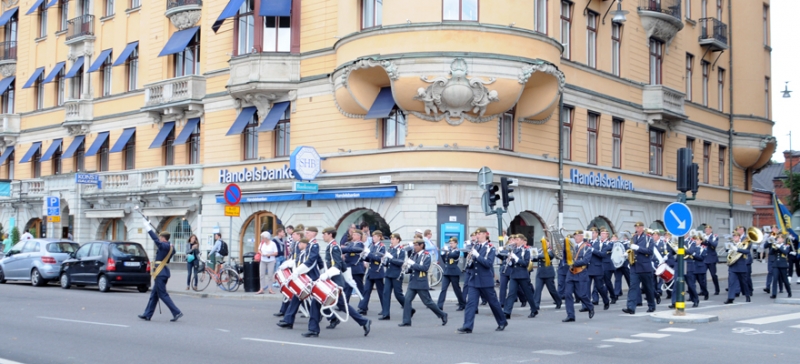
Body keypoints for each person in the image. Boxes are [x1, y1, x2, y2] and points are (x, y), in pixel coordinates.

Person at [318, 227, 371, 336]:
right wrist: (348, 278)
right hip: (333, 280)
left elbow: (337, 265)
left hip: (335, 281)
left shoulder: (334, 247)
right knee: (324, 301)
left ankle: (363, 320)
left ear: (330, 234)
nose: (322, 236)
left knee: (339, 304)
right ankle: (329, 319)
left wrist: (327, 275)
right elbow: (342, 264)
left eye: (324, 234)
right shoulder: (332, 246)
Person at [457, 227, 507, 334]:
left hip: (485, 280)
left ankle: (502, 321)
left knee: (493, 303)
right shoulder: (476, 246)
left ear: (485, 234)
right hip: (474, 280)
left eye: (479, 234)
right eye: (476, 234)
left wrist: (477, 255)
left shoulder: (490, 248)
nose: (477, 236)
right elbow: (472, 264)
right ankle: (467, 326)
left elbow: (488, 264)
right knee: (471, 303)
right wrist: (469, 260)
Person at [277, 228, 324, 338]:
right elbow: (301, 259)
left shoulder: (314, 245)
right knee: (297, 296)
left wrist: (298, 272)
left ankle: (332, 318)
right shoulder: (309, 245)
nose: (306, 234)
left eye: (308, 232)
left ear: (314, 234)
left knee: (318, 301)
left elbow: (311, 262)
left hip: (311, 277)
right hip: (306, 276)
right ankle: (289, 320)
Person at [138, 216, 182, 322]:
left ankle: (176, 312)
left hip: (160, 273)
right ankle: (147, 314)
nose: (159, 239)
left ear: (163, 238)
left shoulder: (164, 246)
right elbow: (173, 250)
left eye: (160, 238)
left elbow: (154, 239)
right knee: (154, 294)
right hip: (162, 272)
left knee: (162, 294)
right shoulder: (169, 246)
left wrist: (147, 227)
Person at [399, 239, 448, 327]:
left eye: (416, 245)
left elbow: (424, 268)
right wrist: (406, 269)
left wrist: (412, 264)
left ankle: (442, 314)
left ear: (421, 245)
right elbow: (412, 268)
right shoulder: (414, 255)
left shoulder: (426, 256)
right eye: (414, 245)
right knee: (407, 300)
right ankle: (406, 321)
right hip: (413, 282)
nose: (414, 247)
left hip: (421, 282)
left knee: (428, 302)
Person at [622, 222, 657, 315]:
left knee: (648, 288)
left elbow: (650, 251)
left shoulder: (648, 238)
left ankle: (651, 305)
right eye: (636, 227)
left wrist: (638, 248)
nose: (637, 229)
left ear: (642, 228)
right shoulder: (633, 238)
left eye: (638, 227)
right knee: (633, 287)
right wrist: (628, 253)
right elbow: (632, 250)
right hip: (634, 266)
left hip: (645, 267)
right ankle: (631, 307)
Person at [503, 234, 538, 318]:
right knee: (511, 293)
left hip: (523, 275)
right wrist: (509, 260)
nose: (515, 241)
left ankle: (534, 309)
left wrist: (516, 258)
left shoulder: (526, 250)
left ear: (522, 241)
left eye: (517, 240)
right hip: (514, 274)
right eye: (515, 240)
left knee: (528, 294)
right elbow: (512, 264)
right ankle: (507, 312)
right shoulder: (513, 250)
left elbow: (526, 263)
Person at [379, 233, 413, 320]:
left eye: (393, 239)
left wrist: (391, 258)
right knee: (386, 293)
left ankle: (409, 308)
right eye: (391, 239)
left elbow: (400, 262)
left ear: (398, 240)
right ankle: (386, 314)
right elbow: (388, 263)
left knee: (398, 294)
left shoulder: (401, 250)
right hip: (389, 274)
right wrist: (383, 261)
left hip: (396, 274)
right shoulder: (390, 249)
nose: (391, 241)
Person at [563, 231, 594, 322]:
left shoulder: (587, 247)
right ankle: (570, 315)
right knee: (568, 294)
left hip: (581, 273)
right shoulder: (572, 248)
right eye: (575, 236)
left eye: (577, 236)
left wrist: (573, 262)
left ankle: (590, 306)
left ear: (582, 236)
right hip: (571, 273)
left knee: (581, 295)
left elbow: (586, 261)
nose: (575, 237)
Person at [274, 229, 304, 318]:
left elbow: (297, 259)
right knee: (289, 291)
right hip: (293, 270)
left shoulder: (300, 245)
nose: (292, 236)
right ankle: (284, 311)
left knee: (300, 295)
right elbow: (292, 257)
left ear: (299, 235)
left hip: (297, 271)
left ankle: (287, 314)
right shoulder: (295, 244)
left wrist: (289, 264)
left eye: (294, 234)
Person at [358, 231, 386, 315]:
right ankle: (363, 308)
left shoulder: (382, 247)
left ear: (379, 237)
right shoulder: (372, 246)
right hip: (371, 271)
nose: (373, 238)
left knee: (381, 292)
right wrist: (364, 256)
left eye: (375, 236)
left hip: (377, 271)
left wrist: (369, 254)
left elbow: (379, 258)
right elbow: (369, 258)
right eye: (373, 236)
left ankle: (385, 309)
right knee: (366, 290)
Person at [437, 237, 466, 311]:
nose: (451, 244)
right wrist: (443, 254)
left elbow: (452, 256)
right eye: (450, 243)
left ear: (456, 243)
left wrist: (447, 252)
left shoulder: (457, 251)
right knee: (443, 289)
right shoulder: (449, 251)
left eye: (452, 243)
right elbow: (445, 261)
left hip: (454, 272)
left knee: (456, 289)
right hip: (447, 272)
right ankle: (439, 305)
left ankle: (462, 304)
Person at [533, 237, 561, 310]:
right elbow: (534, 258)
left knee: (552, 290)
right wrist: (532, 256)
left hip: (548, 273)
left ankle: (558, 301)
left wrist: (536, 255)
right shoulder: (540, 250)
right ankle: (536, 305)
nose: (544, 244)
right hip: (540, 273)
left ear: (548, 243)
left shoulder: (551, 250)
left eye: (545, 242)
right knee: (537, 290)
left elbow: (548, 256)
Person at [725, 232, 751, 304]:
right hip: (732, 266)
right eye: (734, 237)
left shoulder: (743, 244)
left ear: (739, 237)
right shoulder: (731, 244)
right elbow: (726, 250)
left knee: (744, 283)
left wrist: (737, 249)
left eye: (736, 237)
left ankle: (747, 295)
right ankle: (730, 298)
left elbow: (747, 251)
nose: (735, 238)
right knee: (731, 282)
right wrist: (728, 250)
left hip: (741, 266)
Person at [588, 229, 610, 311]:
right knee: (586, 287)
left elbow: (603, 254)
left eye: (593, 233)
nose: (591, 234)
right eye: (590, 233)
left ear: (597, 234)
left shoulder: (601, 243)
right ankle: (586, 305)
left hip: (597, 268)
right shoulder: (587, 242)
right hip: (588, 268)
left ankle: (606, 300)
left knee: (600, 287)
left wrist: (593, 250)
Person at [342, 230, 365, 302]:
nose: (353, 236)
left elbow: (354, 250)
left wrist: (344, 249)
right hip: (349, 268)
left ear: (359, 236)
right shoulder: (351, 244)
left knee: (359, 287)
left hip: (357, 268)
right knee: (347, 287)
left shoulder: (360, 244)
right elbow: (347, 251)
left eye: (354, 235)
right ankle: (345, 303)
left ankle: (363, 305)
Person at [770, 234, 793, 298]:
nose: (778, 240)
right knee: (774, 279)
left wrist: (779, 246)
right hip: (775, 264)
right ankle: (774, 294)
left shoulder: (786, 245)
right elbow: (770, 253)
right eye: (778, 238)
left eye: (780, 238)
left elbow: (785, 252)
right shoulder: (775, 245)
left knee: (785, 280)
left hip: (783, 265)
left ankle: (789, 292)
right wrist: (773, 246)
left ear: (783, 239)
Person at [702, 225, 721, 295]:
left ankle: (717, 289)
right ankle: (703, 290)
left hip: (712, 258)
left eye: (708, 229)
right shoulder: (703, 236)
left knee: (713, 275)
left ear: (711, 230)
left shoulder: (714, 236)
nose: (706, 230)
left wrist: (707, 239)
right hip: (704, 258)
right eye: (705, 229)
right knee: (702, 275)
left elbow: (714, 244)